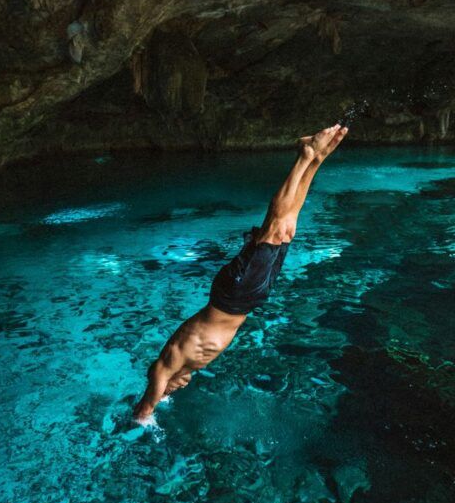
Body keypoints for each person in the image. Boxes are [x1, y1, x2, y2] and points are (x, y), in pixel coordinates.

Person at [132, 124, 348, 423]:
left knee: (274, 228)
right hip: (244, 298)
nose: (177, 388)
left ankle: (305, 155)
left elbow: (144, 409)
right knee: (286, 230)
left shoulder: (164, 366)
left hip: (233, 295)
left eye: (171, 390)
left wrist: (148, 414)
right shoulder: (186, 366)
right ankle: (317, 159)